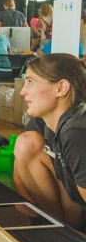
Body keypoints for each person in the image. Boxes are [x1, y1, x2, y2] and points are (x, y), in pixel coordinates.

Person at [14, 53, 86, 229]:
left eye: (30, 82)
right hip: (74, 200)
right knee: (26, 142)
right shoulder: (43, 119)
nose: (23, 91)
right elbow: (20, 156)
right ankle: (57, 229)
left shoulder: (76, 131)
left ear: (61, 88)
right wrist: (23, 197)